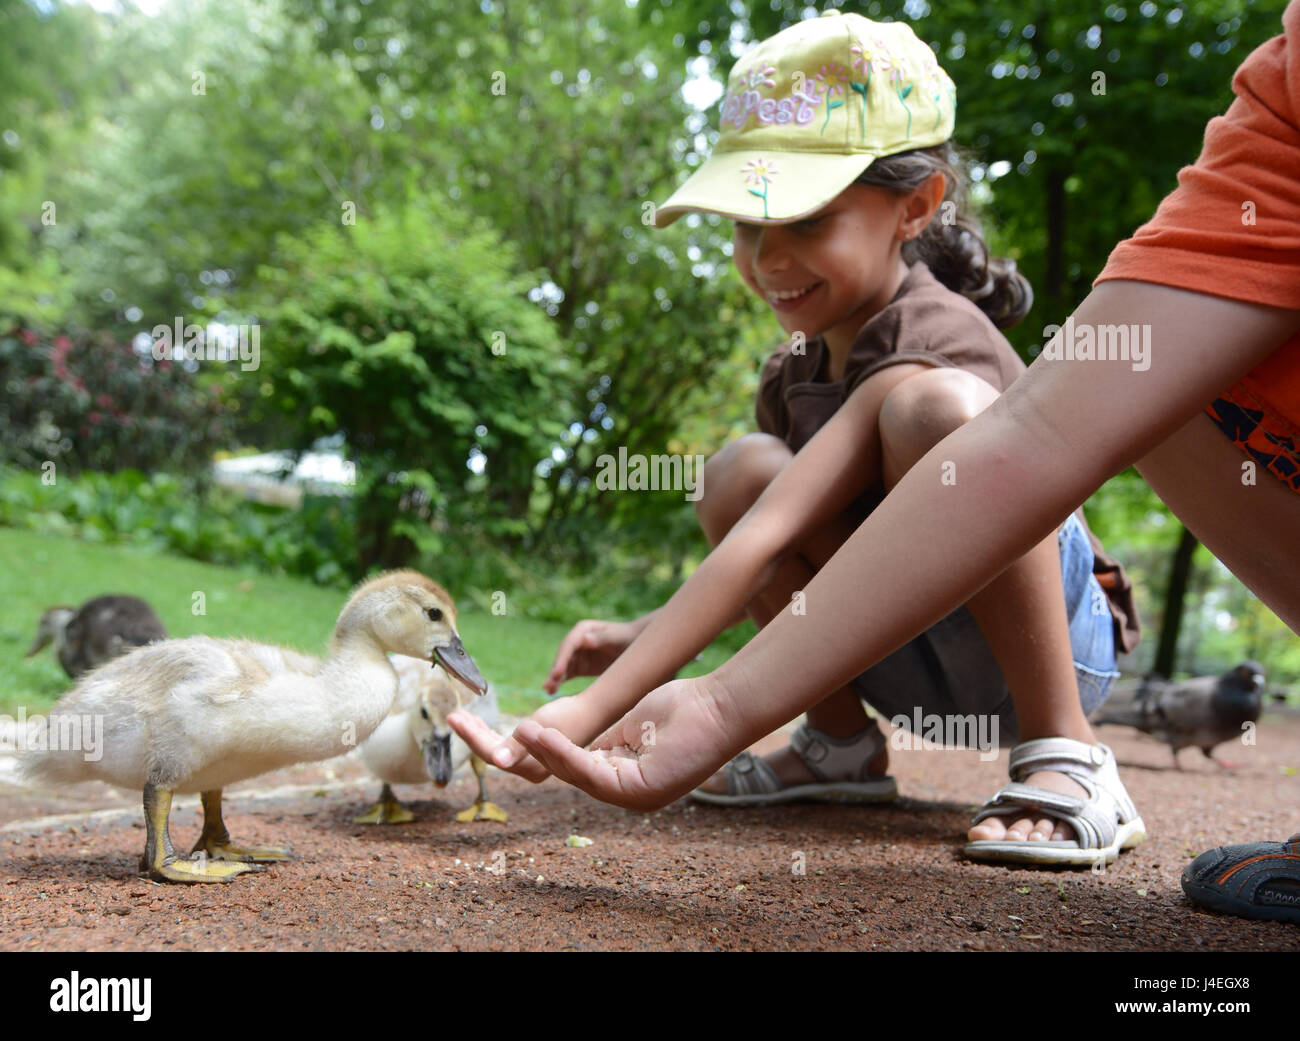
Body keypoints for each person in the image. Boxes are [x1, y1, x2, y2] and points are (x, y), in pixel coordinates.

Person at [452, 2, 1300, 922]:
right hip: (904, 646)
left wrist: (596, 707)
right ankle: (839, 743)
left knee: (932, 413)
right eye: (744, 225)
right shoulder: (796, 368)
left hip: (1049, 637)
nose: (768, 256)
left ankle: (1066, 745)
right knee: (743, 468)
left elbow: (795, 531)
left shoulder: (937, 336)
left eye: (805, 219)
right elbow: (771, 531)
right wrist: (642, 634)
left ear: (916, 206)